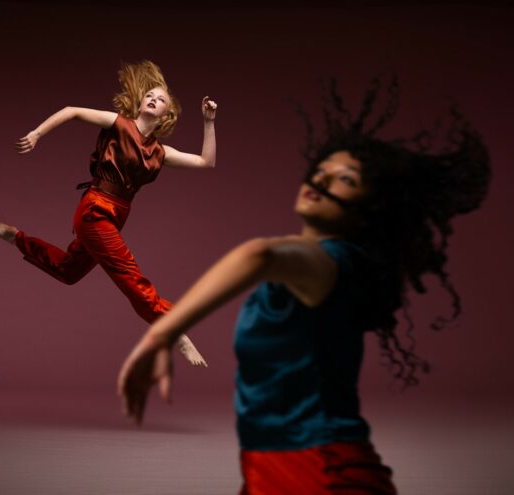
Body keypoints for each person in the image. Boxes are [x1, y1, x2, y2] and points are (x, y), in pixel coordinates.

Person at [117, 75, 490, 494]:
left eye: (345, 180)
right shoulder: (322, 264)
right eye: (322, 171)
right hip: (274, 468)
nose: (321, 181)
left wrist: (164, 334)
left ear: (370, 209)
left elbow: (261, 255)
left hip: (324, 470)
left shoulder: (326, 260)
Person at [0, 60, 217, 366]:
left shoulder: (162, 153)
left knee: (69, 271)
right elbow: (72, 111)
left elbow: (206, 162)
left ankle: (15, 237)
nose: (153, 99)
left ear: (166, 115)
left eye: (161, 100)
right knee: (132, 278)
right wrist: (37, 133)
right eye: (150, 94)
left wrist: (208, 120)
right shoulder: (119, 124)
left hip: (116, 215)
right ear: (140, 102)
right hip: (96, 209)